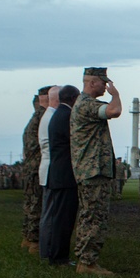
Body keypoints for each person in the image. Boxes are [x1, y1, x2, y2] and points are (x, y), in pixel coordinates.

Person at [70, 67, 121, 275]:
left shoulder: (82, 103)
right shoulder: (86, 104)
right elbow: (114, 111)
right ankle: (87, 263)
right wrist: (115, 95)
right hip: (93, 170)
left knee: (88, 215)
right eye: (103, 82)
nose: (106, 86)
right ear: (92, 83)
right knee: (94, 217)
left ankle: (85, 259)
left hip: (90, 170)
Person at [40, 85, 80, 266]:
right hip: (63, 174)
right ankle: (57, 256)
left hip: (58, 173)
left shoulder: (57, 115)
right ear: (73, 98)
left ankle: (55, 254)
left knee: (59, 218)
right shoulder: (64, 116)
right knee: (61, 219)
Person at [20, 87, 49, 254]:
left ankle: (27, 237)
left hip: (31, 168)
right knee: (36, 205)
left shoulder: (33, 119)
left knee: (30, 204)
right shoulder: (41, 118)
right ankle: (33, 241)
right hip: (37, 168)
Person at [37, 86, 60, 240]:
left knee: (49, 211)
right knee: (50, 213)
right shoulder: (52, 117)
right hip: (51, 168)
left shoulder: (49, 115)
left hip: (49, 167)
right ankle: (48, 248)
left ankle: (47, 247)